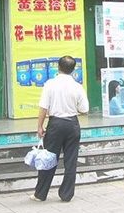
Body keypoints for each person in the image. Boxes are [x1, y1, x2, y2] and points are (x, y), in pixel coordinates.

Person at [31, 55, 89, 202]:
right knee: (71, 161)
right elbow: (85, 109)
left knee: (49, 158)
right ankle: (66, 194)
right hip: (72, 124)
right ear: (73, 69)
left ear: (58, 67)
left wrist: (40, 126)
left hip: (55, 124)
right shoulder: (77, 86)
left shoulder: (50, 84)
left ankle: (40, 194)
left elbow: (44, 107)